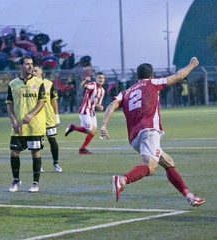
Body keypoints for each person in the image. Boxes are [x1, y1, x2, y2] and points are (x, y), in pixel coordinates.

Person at [100, 57, 205, 207]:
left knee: (168, 162)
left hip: (134, 137)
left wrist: (104, 125)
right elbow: (179, 76)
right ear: (151, 75)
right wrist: (192, 64)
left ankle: (189, 197)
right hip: (148, 130)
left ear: (137, 76)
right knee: (151, 167)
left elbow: (112, 104)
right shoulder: (152, 83)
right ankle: (122, 180)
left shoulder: (126, 92)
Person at [5, 55, 46, 193]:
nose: (30, 66)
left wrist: (31, 115)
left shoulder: (39, 82)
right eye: (27, 64)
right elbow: (9, 105)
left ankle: (35, 183)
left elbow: (41, 102)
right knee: (14, 152)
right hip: (18, 127)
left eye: (32, 64)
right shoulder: (12, 84)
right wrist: (14, 122)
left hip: (35, 126)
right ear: (21, 66)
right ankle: (16, 180)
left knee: (35, 153)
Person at [64, 72, 106, 154]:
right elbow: (83, 86)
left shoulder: (102, 91)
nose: (101, 79)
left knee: (93, 131)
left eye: (102, 78)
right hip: (85, 110)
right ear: (96, 79)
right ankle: (72, 127)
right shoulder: (92, 85)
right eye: (99, 78)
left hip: (92, 111)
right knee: (90, 130)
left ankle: (82, 149)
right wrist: (85, 81)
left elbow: (97, 104)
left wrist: (100, 107)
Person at [32, 65, 62, 173]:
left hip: (49, 117)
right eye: (32, 71)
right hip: (37, 118)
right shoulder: (31, 84)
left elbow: (54, 100)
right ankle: (39, 165)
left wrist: (56, 115)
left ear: (41, 72)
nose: (33, 72)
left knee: (52, 140)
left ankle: (56, 163)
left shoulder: (49, 84)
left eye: (35, 70)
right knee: (39, 142)